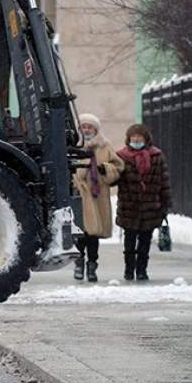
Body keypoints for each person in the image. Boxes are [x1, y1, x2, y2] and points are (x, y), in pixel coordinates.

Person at [115, 123, 171, 281]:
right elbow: (114, 179)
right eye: (133, 136)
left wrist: (165, 203)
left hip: (150, 206)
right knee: (129, 242)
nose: (136, 139)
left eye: (139, 136)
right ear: (128, 138)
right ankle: (129, 270)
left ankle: (141, 270)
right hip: (129, 206)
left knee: (145, 243)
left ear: (146, 138)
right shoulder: (121, 156)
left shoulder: (156, 156)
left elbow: (164, 181)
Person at [71, 113, 123, 282]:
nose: (86, 130)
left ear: (96, 129)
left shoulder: (104, 146)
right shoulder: (74, 146)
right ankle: (79, 264)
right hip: (79, 194)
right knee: (80, 234)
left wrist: (105, 169)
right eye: (83, 127)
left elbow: (118, 166)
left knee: (93, 236)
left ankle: (92, 266)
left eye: (89, 127)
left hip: (97, 194)